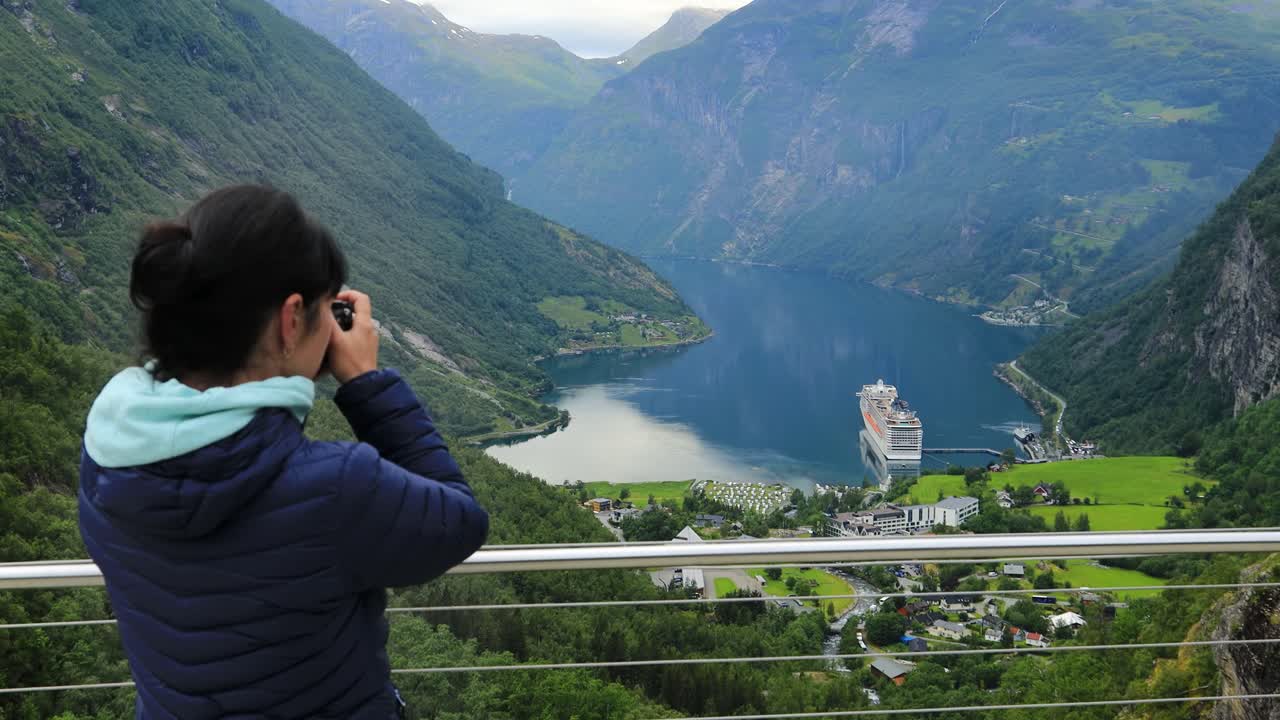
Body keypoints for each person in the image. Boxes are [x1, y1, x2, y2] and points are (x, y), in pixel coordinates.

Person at [78, 185, 489, 719]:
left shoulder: (105, 455)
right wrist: (366, 381)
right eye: (324, 308)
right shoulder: (334, 486)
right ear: (291, 319)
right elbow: (459, 521)